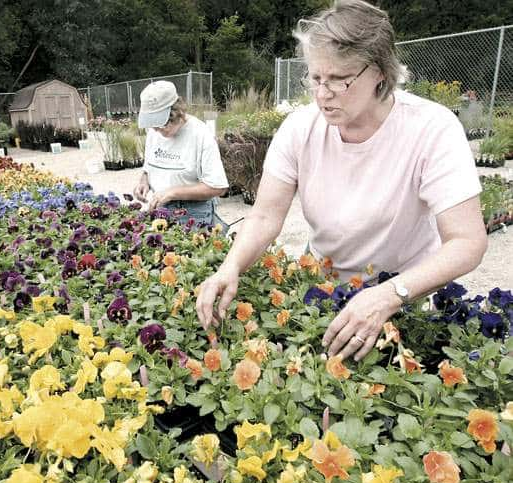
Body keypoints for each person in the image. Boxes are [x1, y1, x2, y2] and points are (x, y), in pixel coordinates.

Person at [196, 0, 487, 361]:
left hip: (401, 292)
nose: (322, 94)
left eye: (339, 80)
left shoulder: (432, 129)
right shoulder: (300, 128)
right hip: (323, 286)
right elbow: (265, 216)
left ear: (380, 72)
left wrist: (389, 295)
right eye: (316, 78)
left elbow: (467, 241)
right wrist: (231, 266)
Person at [134, 81, 229, 225]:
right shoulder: (154, 132)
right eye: (152, 124)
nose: (156, 130)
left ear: (177, 113)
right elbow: (150, 164)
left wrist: (172, 193)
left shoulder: (200, 134)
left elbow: (218, 187)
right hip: (160, 209)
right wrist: (144, 179)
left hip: (193, 214)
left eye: (161, 124)